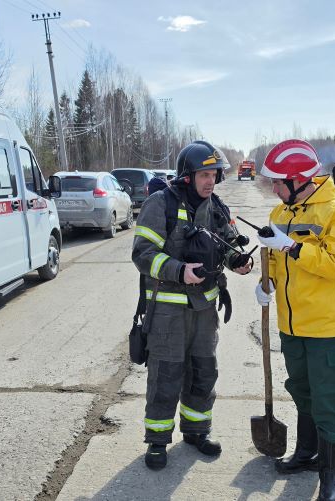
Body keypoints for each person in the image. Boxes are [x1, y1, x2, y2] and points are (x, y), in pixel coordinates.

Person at [131, 140, 253, 470]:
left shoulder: (216, 208)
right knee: (166, 374)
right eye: (203, 174)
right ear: (188, 175)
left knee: (203, 372)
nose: (210, 180)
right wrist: (178, 271)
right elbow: (142, 254)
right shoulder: (161, 204)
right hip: (167, 312)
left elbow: (226, 246)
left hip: (204, 312)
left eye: (214, 174)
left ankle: (197, 431)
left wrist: (237, 262)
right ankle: (157, 441)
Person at [255, 139, 335, 501]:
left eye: (279, 182)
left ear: (298, 179)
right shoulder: (279, 215)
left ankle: (330, 479)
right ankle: (307, 453)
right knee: (300, 390)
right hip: (290, 325)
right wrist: (265, 285)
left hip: (323, 326)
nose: (274, 189)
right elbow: (276, 266)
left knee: (326, 398)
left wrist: (292, 247)